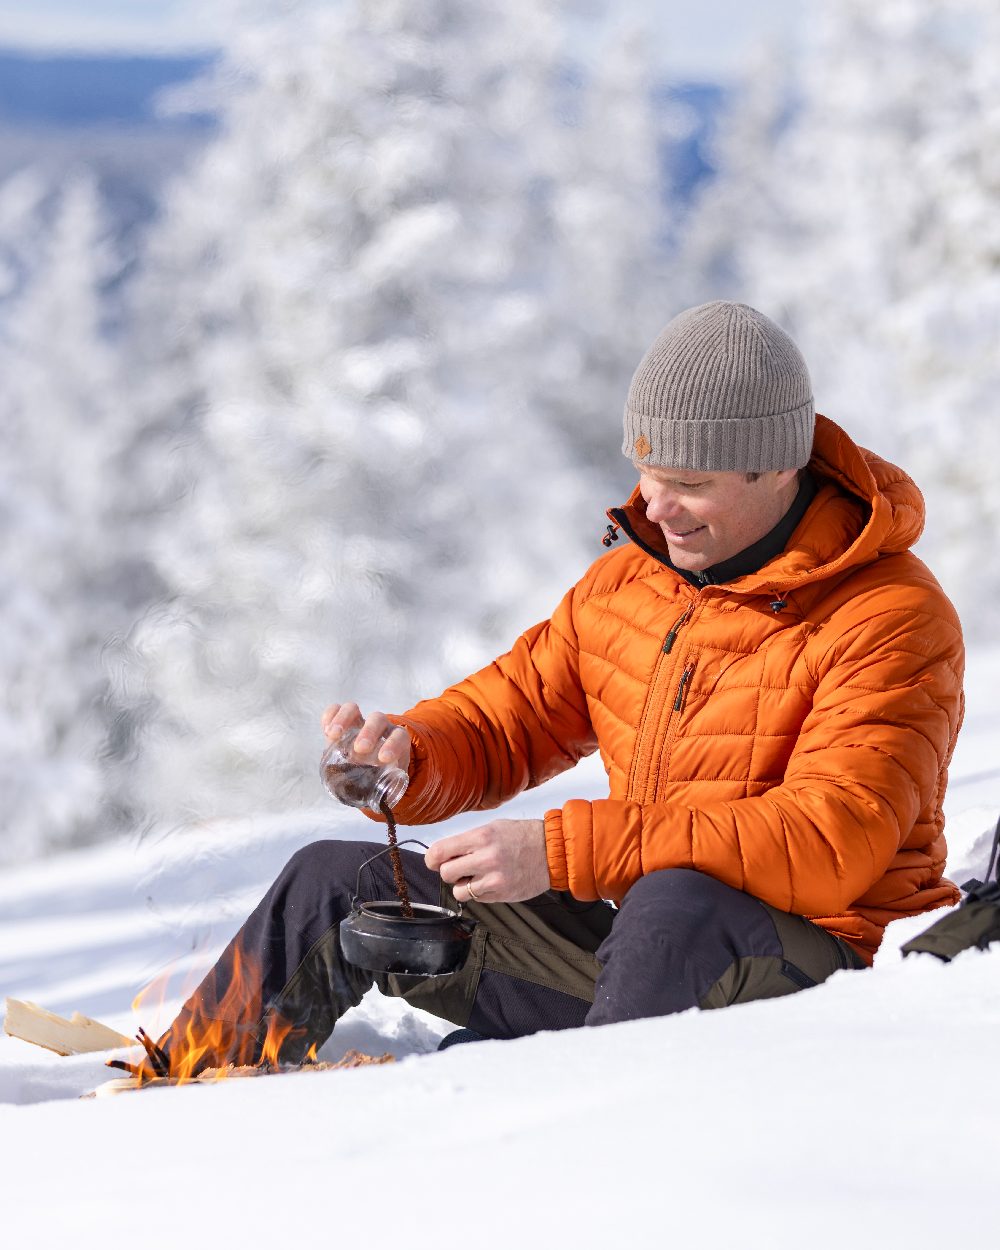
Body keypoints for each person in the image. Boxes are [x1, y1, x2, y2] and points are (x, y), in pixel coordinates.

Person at [147, 300, 965, 1074]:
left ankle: (580, 1147)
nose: (656, 506)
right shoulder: (628, 588)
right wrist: (407, 754)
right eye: (646, 472)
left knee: (675, 904)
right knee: (336, 879)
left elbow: (829, 844)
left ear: (778, 466)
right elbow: (509, 720)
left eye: (688, 482)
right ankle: (181, 1089)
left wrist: (564, 853)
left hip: (821, 974)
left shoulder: (889, 617)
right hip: (647, 967)